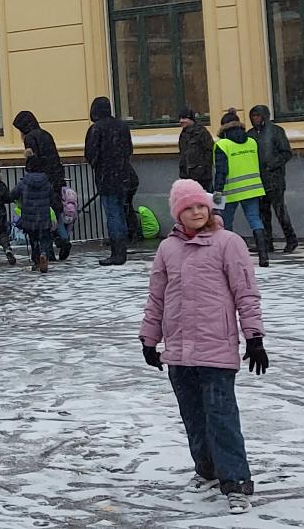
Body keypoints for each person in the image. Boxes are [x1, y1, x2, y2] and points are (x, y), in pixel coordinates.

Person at [141, 179, 269, 512]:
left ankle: (237, 482)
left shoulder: (229, 243)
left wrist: (254, 337)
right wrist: (149, 339)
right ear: (178, 213)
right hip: (179, 351)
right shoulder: (167, 249)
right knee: (194, 417)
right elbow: (157, 298)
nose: (197, 211)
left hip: (216, 349)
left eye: (201, 205)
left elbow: (246, 292)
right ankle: (207, 470)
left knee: (221, 417)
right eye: (188, 207)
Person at [210, 110, 273, 268]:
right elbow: (259, 165)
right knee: (255, 220)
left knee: (226, 224)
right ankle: (263, 256)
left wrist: (217, 193)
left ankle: (229, 258)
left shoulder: (222, 145)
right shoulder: (252, 141)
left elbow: (221, 172)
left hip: (230, 191)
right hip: (253, 189)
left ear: (223, 127)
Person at [87, 96, 141, 265]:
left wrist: (100, 165)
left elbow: (91, 154)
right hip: (123, 176)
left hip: (106, 178)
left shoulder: (96, 129)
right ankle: (122, 248)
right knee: (121, 212)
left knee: (113, 214)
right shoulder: (122, 126)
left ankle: (117, 253)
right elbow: (129, 149)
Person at [12, 111, 64, 272]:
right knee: (54, 212)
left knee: (40, 222)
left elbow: (33, 159)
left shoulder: (30, 138)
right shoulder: (45, 134)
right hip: (54, 177)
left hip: (41, 180)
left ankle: (44, 253)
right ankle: (62, 239)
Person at [247, 106, 299, 255]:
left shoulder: (276, 131)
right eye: (253, 116)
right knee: (263, 213)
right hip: (258, 180)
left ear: (264, 116)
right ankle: (267, 242)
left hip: (274, 179)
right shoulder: (250, 134)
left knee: (280, 211)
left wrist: (272, 165)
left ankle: (291, 239)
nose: (255, 118)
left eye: (258, 115)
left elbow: (286, 153)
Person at [176, 109, 215, 196]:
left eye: (184, 118)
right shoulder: (183, 135)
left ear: (191, 119)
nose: (181, 121)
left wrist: (202, 169)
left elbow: (210, 152)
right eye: (180, 118)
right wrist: (182, 173)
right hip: (187, 177)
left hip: (202, 178)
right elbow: (183, 155)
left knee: (206, 202)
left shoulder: (201, 132)